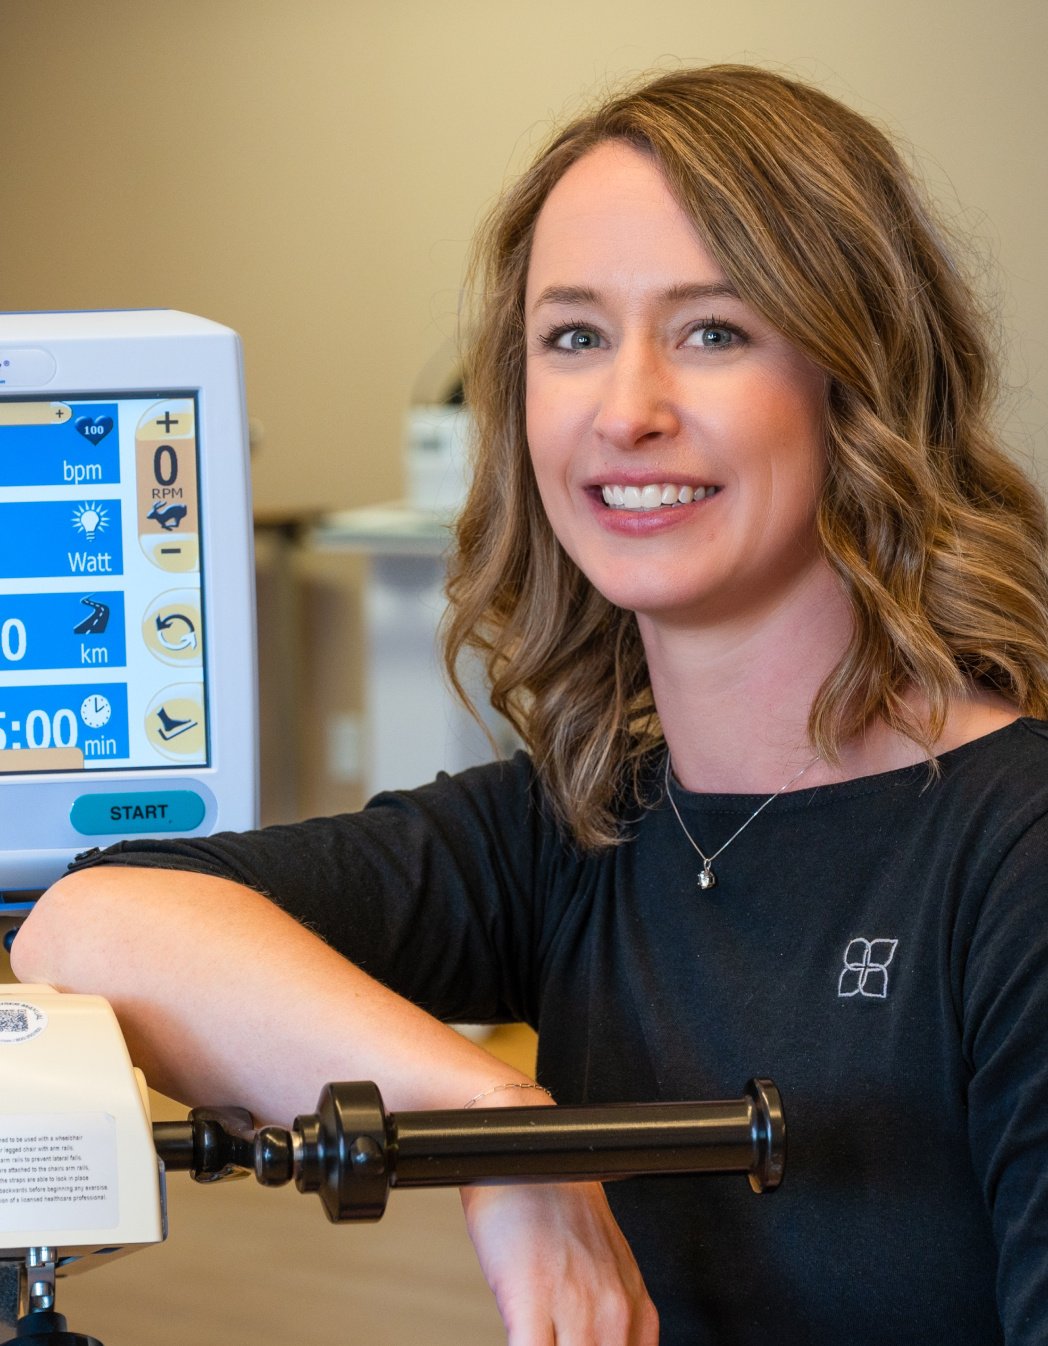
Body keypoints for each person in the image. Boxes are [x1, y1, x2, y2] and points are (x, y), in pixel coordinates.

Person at [14, 64, 1048, 1345]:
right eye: (573, 336)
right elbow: (92, 919)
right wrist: (500, 1131)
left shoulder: (1013, 853)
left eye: (712, 330)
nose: (628, 410)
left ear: (861, 380)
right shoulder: (580, 828)